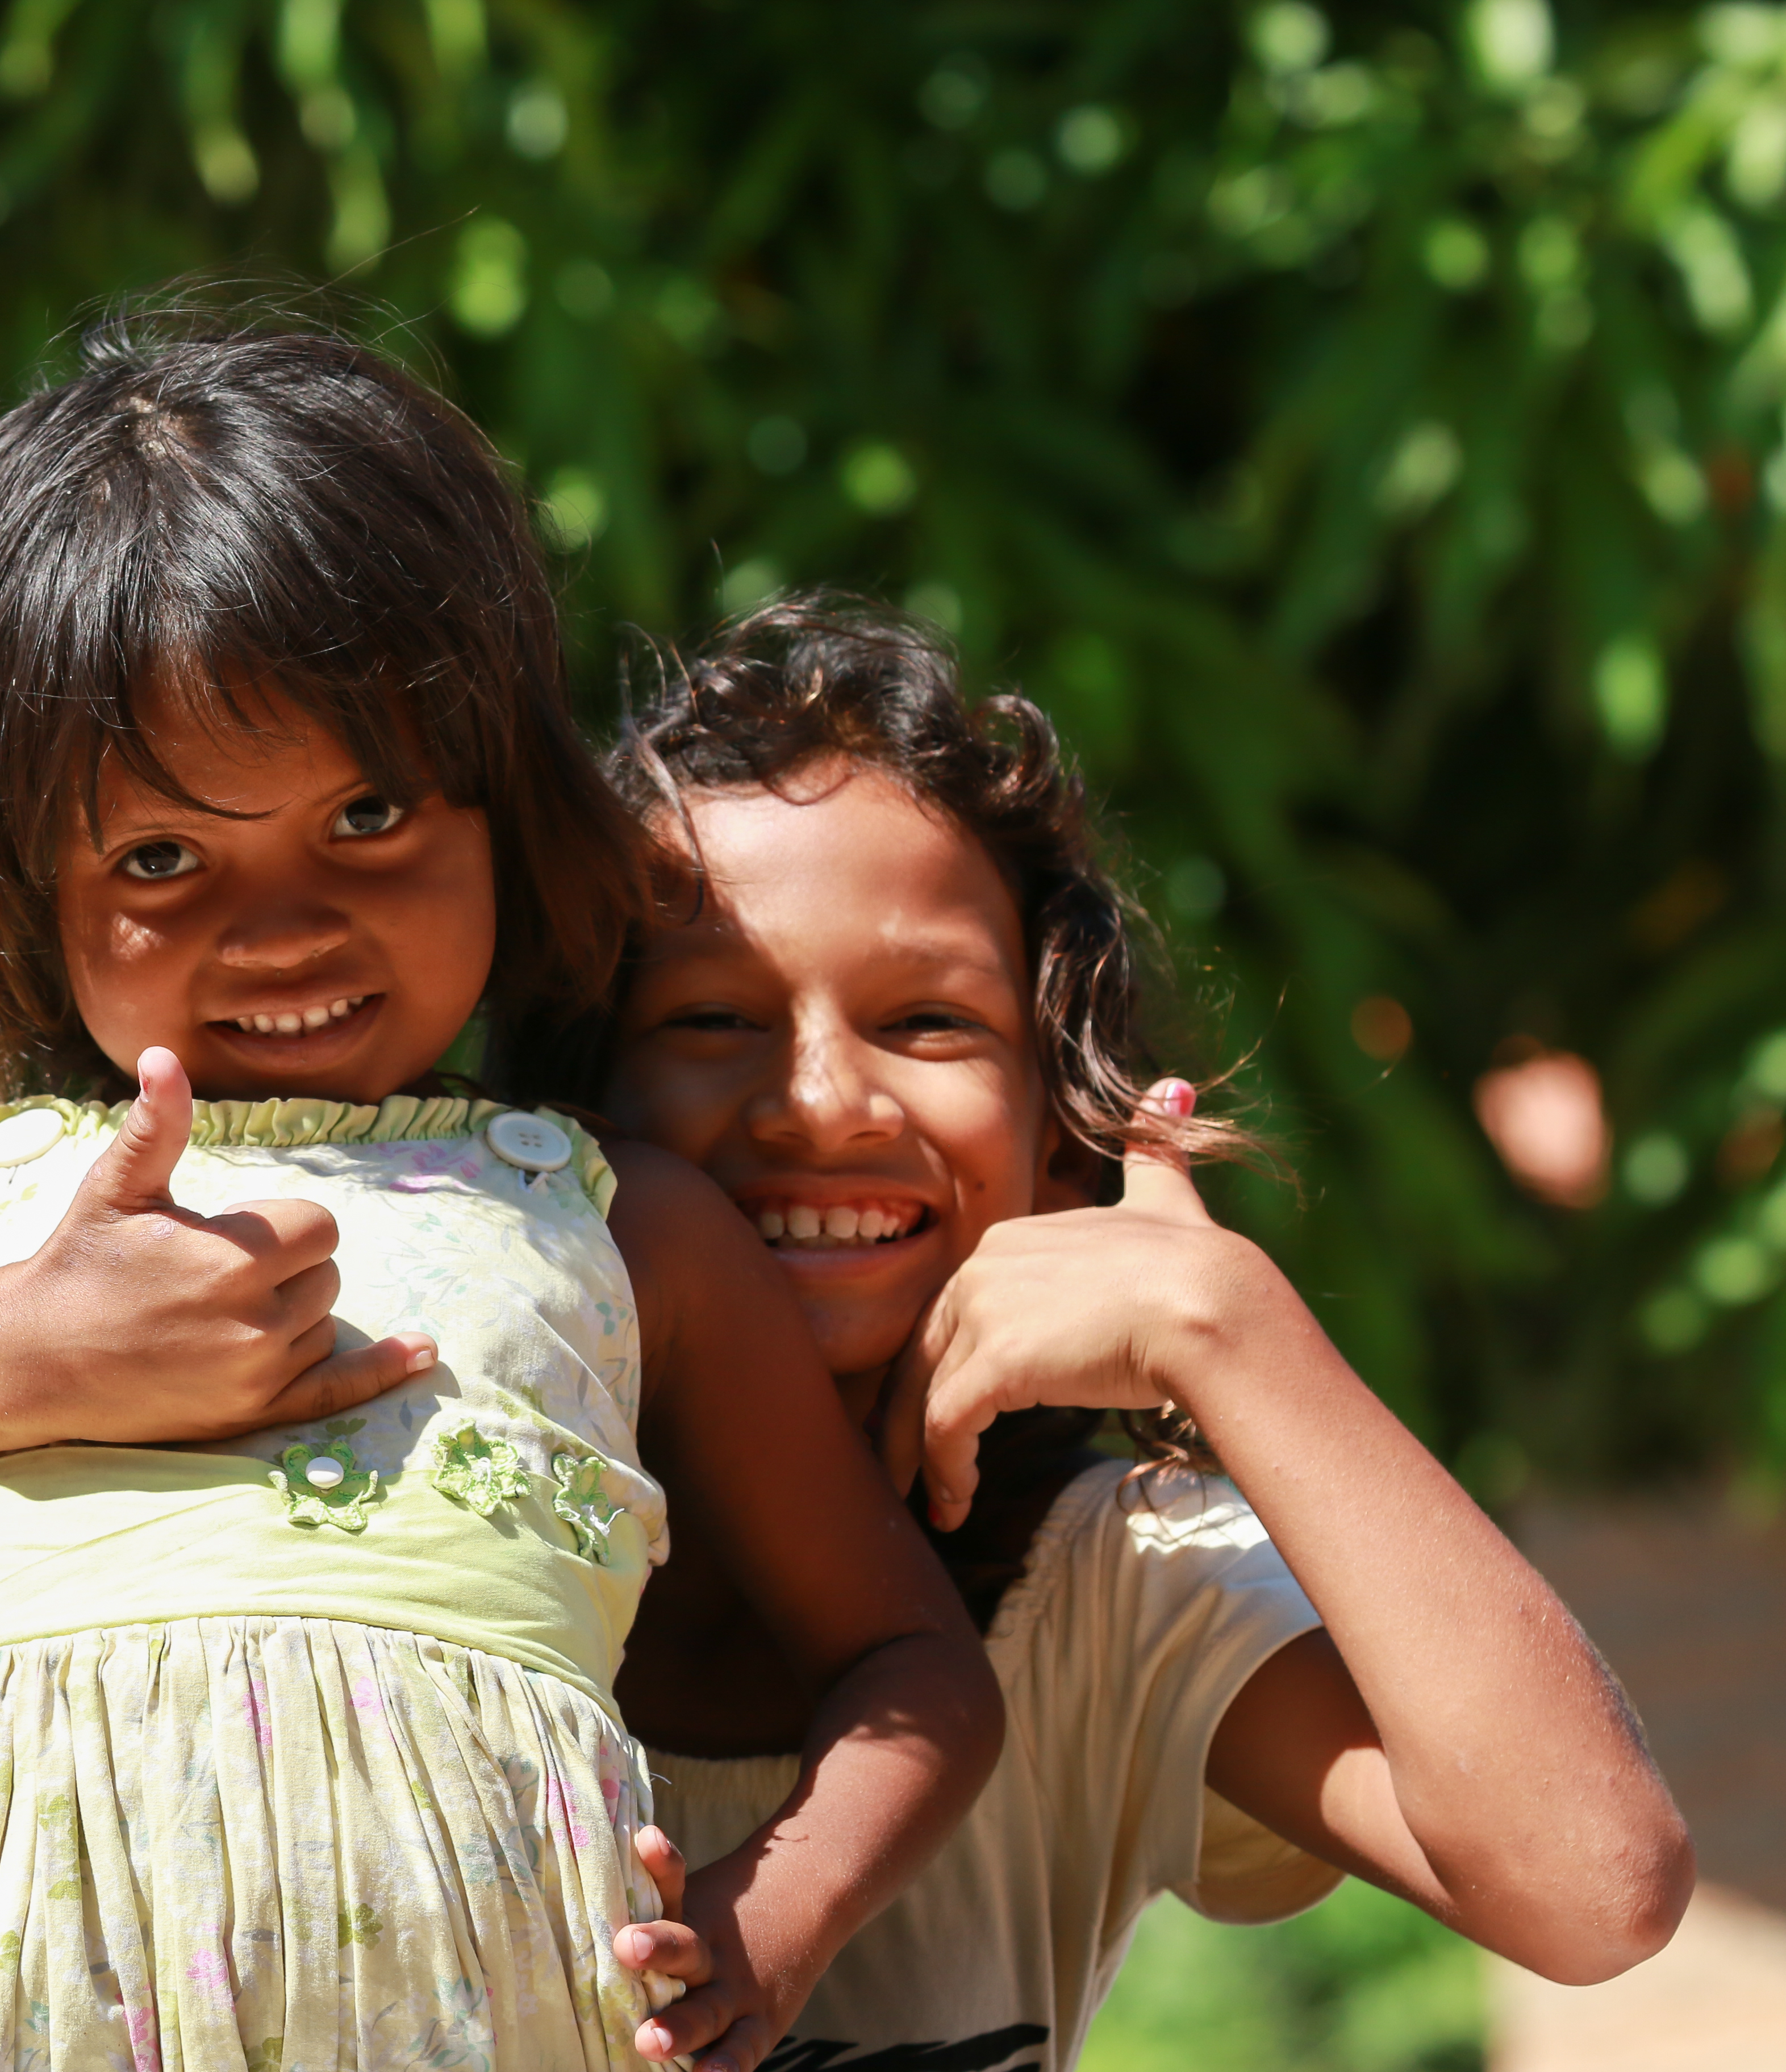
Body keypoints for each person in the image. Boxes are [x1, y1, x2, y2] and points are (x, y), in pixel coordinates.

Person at [0, 327, 1004, 2072]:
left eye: (370, 812)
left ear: (506, 803)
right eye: (162, 856)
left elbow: (916, 1668)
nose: (287, 923)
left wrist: (773, 1915)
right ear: (27, 878)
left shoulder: (626, 1227)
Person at [595, 595, 1695, 2071]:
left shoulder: (1114, 1590)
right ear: (567, 1112)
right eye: (709, 1021)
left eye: (927, 1025)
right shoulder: (435, 1509)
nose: (818, 1102)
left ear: (1064, 1143)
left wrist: (1223, 1323)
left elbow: (1598, 1890)